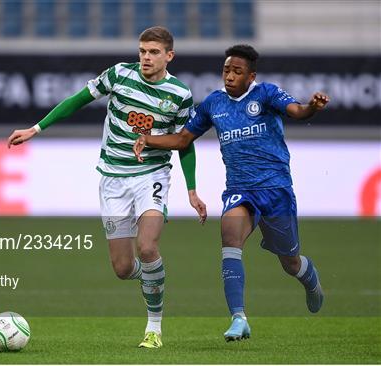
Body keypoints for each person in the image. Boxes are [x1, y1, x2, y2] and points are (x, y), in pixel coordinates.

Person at [7, 26, 207, 348]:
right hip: (113, 180)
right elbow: (78, 100)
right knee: (123, 268)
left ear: (169, 56)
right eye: (142, 51)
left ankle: (153, 328)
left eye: (153, 52)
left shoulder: (179, 95)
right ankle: (154, 278)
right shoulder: (119, 75)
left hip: (151, 176)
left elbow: (185, 143)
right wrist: (36, 128)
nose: (145, 57)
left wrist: (192, 189)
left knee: (148, 247)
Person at [133, 44, 328, 342]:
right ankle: (239, 317)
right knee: (229, 238)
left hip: (275, 189)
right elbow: (185, 138)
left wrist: (312, 107)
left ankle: (308, 276)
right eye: (226, 70)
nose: (230, 76)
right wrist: (149, 139)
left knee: (289, 261)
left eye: (237, 72)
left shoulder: (266, 94)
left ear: (251, 76)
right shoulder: (214, 103)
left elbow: (298, 111)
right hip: (239, 190)